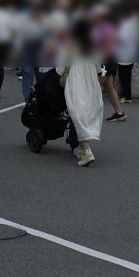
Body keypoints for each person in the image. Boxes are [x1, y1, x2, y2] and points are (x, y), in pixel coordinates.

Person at [59, 18, 102, 167]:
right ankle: (81, 148)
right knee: (87, 110)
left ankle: (86, 150)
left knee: (78, 111)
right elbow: (98, 66)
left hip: (76, 79)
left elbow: (61, 66)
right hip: (90, 79)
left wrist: (59, 75)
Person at [94, 8, 126, 122]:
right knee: (109, 87)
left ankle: (93, 114)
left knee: (95, 87)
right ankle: (119, 112)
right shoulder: (106, 27)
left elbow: (108, 45)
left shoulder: (105, 28)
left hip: (106, 60)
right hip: (110, 60)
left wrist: (101, 58)